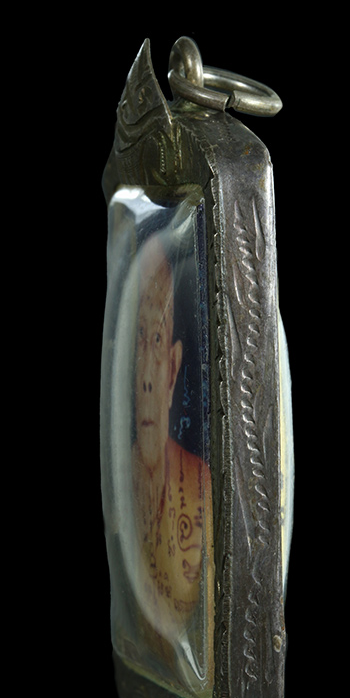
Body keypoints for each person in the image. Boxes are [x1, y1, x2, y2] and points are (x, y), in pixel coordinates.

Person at [131, 233, 212, 671]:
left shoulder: (200, 487)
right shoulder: (124, 480)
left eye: (157, 341)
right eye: (138, 342)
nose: (147, 375)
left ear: (174, 366)